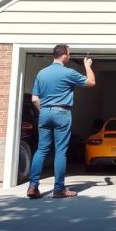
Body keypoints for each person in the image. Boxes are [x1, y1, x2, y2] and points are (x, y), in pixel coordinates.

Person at [26, 44, 95, 199]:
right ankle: (59, 189)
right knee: (60, 151)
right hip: (62, 112)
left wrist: (44, 111)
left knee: (42, 149)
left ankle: (33, 186)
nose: (69, 56)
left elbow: (35, 98)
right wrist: (87, 65)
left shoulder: (41, 73)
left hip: (44, 112)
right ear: (64, 55)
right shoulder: (68, 72)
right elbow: (91, 82)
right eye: (69, 54)